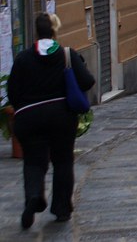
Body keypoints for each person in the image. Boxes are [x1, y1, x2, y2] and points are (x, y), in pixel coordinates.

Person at [7, 13, 95, 229]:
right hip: (61, 116)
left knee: (34, 162)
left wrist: (24, 109)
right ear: (55, 30)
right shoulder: (67, 55)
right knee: (63, 161)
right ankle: (61, 208)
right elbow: (87, 81)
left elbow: (12, 91)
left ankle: (33, 197)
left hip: (29, 117)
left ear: (36, 32)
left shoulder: (23, 58)